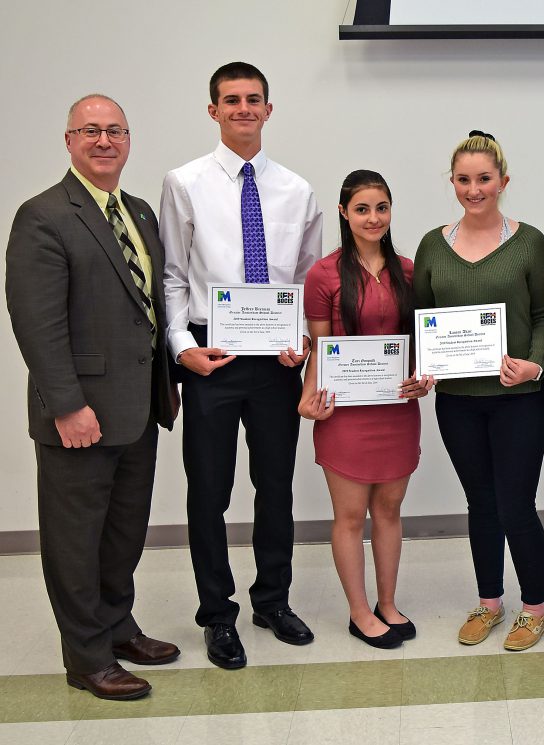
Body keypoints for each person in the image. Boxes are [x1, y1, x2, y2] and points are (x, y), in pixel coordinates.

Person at [6, 95, 180, 700]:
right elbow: (36, 321)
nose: (104, 141)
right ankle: (86, 657)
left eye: (114, 131)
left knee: (122, 532)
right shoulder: (44, 215)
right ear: (69, 139)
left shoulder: (138, 213)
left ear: (128, 139)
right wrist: (64, 405)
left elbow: (150, 307)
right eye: (91, 131)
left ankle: (117, 627)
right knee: (75, 539)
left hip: (139, 407)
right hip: (79, 413)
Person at [160, 62, 323, 669]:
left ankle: (272, 600)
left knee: (275, 485)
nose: (243, 109)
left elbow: (309, 281)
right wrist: (181, 348)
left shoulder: (296, 189)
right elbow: (174, 274)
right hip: (213, 356)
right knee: (209, 490)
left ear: (269, 110)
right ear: (213, 111)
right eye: (231, 100)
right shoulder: (184, 182)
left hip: (276, 359)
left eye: (254, 100)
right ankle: (217, 613)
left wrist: (303, 343)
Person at [413, 131, 544, 651]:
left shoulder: (530, 242)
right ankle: (490, 602)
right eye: (464, 180)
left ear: (503, 181)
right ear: (453, 182)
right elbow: (421, 320)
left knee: (516, 503)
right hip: (457, 402)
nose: (474, 189)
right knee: (480, 502)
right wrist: (424, 368)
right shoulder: (432, 244)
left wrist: (535, 366)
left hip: (518, 400)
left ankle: (534, 607)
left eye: (484, 179)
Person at [299, 170, 431, 649]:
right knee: (351, 515)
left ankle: (388, 603)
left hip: (396, 409)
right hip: (344, 412)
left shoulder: (410, 270)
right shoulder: (324, 274)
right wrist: (307, 394)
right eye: (362, 209)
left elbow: (419, 342)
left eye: (381, 208)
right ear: (343, 213)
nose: (373, 218)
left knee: (391, 509)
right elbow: (320, 345)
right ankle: (359, 610)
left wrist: (422, 377)